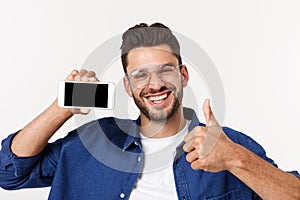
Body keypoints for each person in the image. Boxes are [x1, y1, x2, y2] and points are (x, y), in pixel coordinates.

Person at [0, 22, 299, 200]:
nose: (154, 84)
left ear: (183, 76)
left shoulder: (228, 146)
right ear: (128, 86)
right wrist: (61, 109)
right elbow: (8, 172)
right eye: (140, 75)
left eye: (165, 71)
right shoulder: (93, 143)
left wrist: (236, 160)